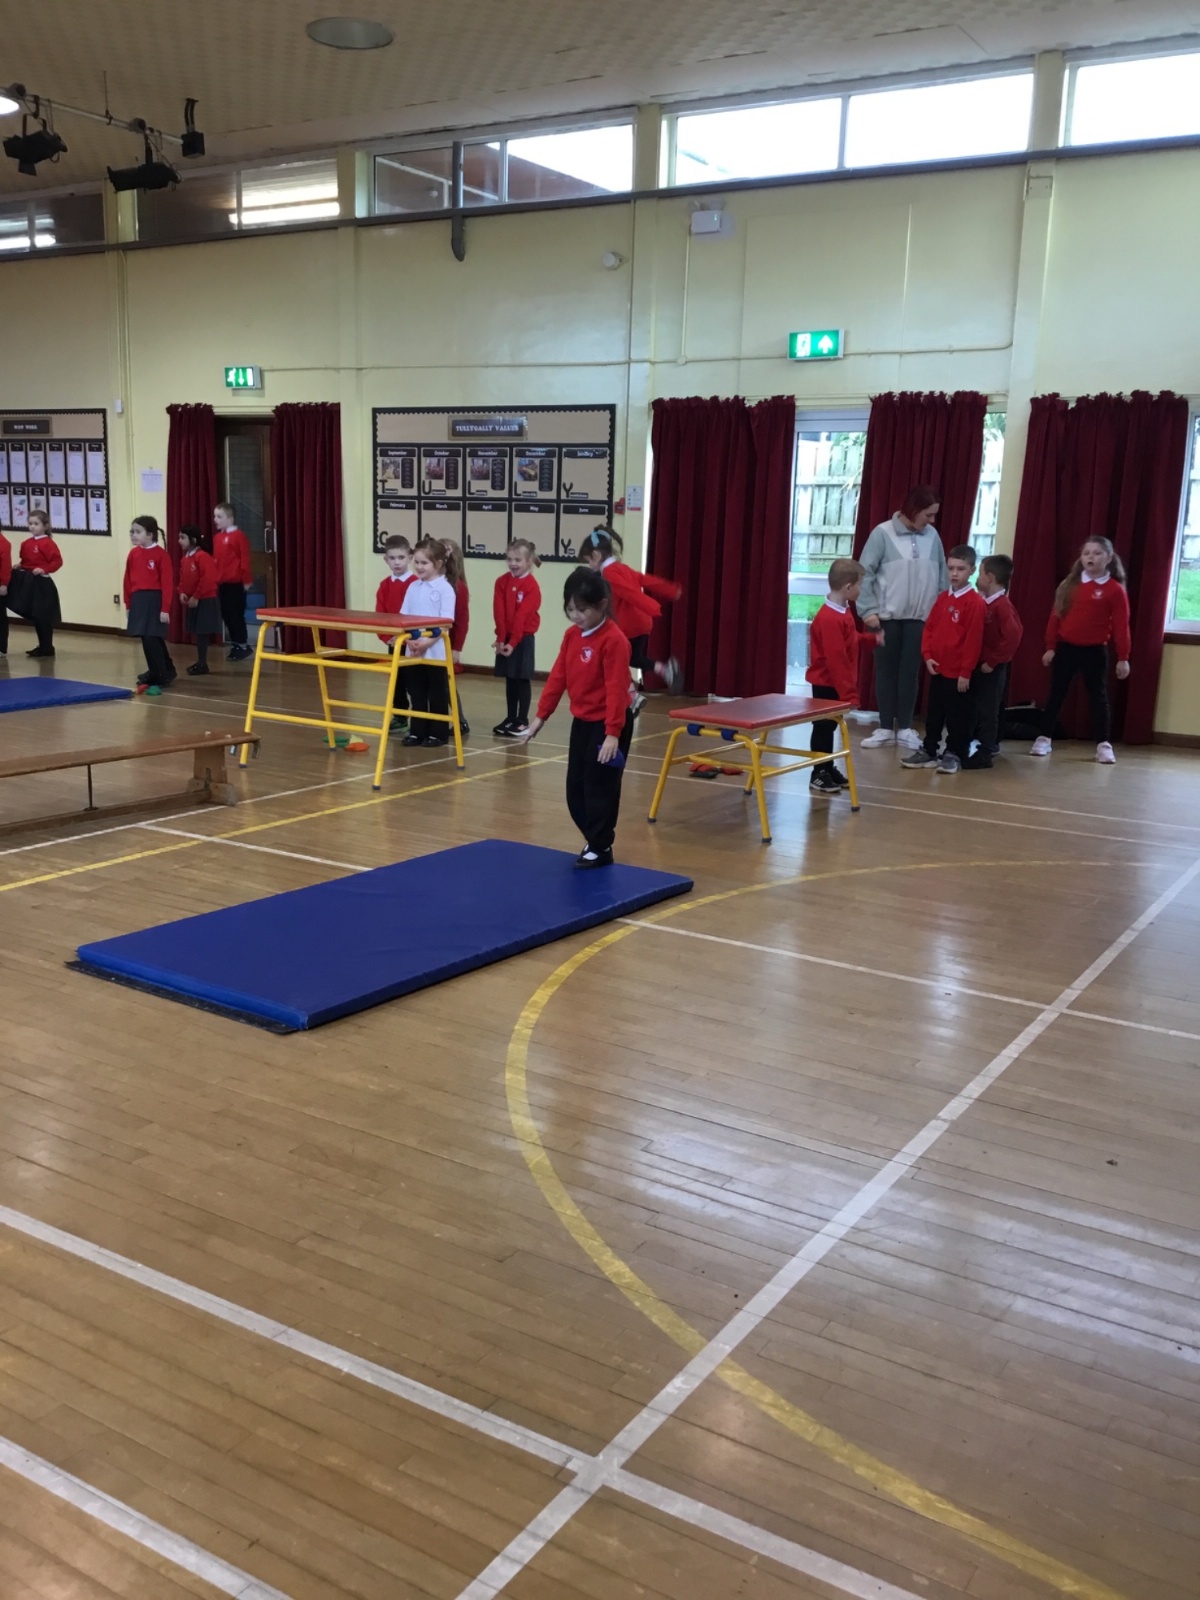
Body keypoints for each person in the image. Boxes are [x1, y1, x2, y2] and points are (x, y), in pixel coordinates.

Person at [518, 567, 633, 868]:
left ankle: (601, 846)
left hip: (608, 723)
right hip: (583, 721)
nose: (575, 616)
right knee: (576, 790)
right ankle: (595, 840)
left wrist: (613, 733)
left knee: (599, 787)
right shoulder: (572, 636)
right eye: (570, 609)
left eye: (582, 610)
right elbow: (559, 676)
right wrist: (540, 716)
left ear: (602, 605)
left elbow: (616, 689)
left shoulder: (614, 640)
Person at [857, 486, 948, 750]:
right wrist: (868, 611)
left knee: (910, 673)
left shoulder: (933, 536)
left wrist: (940, 613)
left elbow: (942, 576)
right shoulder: (882, 533)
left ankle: (906, 728)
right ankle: (885, 727)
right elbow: (864, 574)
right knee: (886, 672)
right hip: (885, 618)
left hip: (920, 619)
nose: (932, 520)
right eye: (928, 515)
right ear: (914, 509)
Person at [1031, 536, 1131, 764]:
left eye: (1097, 553)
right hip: (1066, 648)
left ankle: (1103, 745)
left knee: (1098, 697)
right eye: (1086, 553)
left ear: (1108, 558)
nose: (1090, 557)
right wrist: (1050, 646)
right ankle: (1044, 738)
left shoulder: (1115, 590)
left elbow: (1121, 626)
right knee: (1056, 694)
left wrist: (1123, 657)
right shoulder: (1069, 585)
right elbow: (1055, 616)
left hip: (1094, 651)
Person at [902, 543, 985, 774]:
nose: (954, 573)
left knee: (958, 716)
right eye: (951, 568)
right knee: (934, 714)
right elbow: (930, 628)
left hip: (958, 674)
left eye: (960, 569)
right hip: (938, 669)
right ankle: (929, 750)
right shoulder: (942, 599)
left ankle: (954, 753)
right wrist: (927, 655)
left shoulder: (974, 603)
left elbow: (973, 640)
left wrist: (966, 671)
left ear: (972, 570)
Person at [583, 526, 682, 711]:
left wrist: (652, 606)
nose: (589, 565)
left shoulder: (609, 573)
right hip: (642, 623)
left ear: (596, 555)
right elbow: (645, 580)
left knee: (611, 660)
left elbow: (627, 592)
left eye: (588, 560)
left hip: (628, 625)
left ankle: (633, 696)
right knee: (634, 658)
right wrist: (669, 589)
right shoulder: (622, 568)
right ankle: (665, 670)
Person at [805, 557, 876, 795]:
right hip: (826, 684)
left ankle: (827, 767)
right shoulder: (829, 618)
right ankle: (818, 773)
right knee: (823, 728)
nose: (861, 589)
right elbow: (837, 660)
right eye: (860, 585)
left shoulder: (842, 612)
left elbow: (850, 639)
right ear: (848, 587)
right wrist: (850, 695)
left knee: (830, 727)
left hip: (835, 683)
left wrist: (871, 640)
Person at [963, 553, 1023, 769]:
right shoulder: (985, 603)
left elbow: (1013, 635)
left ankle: (986, 751)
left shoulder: (1002, 606)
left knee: (989, 710)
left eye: (979, 574)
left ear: (989, 577)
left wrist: (994, 661)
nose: (977, 578)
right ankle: (975, 743)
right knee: (978, 707)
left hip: (992, 668)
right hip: (981, 665)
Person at [399, 537, 456, 747]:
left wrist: (426, 642)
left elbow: (446, 622)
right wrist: (410, 641)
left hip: (435, 652)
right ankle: (417, 731)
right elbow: (404, 616)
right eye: (417, 562)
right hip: (413, 650)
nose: (419, 566)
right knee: (417, 692)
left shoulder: (445, 589)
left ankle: (438, 733)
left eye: (425, 563)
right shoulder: (413, 587)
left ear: (438, 563)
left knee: (437, 693)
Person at [492, 537, 541, 737]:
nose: (513, 563)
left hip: (523, 639)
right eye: (510, 559)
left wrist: (512, 643)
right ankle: (511, 717)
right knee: (510, 679)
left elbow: (522, 617)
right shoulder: (501, 582)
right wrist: (501, 638)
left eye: (518, 560)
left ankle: (522, 720)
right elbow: (499, 613)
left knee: (522, 679)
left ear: (528, 561)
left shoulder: (531, 586)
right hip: (506, 638)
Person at [124, 515, 176, 691]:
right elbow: (127, 580)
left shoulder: (161, 555)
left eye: (138, 532)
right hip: (139, 600)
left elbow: (167, 583)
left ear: (150, 534)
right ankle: (162, 670)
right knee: (146, 637)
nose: (133, 535)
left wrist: (165, 608)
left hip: (155, 599)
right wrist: (128, 604)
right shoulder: (133, 554)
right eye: (132, 532)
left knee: (152, 637)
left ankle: (160, 673)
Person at [375, 535, 415, 733]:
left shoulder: (416, 583)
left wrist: (408, 636)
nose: (397, 562)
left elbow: (417, 614)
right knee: (396, 681)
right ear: (386, 559)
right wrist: (386, 637)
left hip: (413, 642)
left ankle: (419, 719)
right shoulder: (385, 585)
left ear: (410, 558)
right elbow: (380, 614)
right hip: (394, 642)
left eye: (401, 557)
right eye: (392, 558)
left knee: (413, 682)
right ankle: (399, 716)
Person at [18, 508, 64, 658]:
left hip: (41, 583)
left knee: (42, 615)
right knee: (35, 615)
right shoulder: (26, 543)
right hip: (29, 581)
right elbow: (26, 561)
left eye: (36, 524)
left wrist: (44, 569)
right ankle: (42, 645)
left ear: (45, 526)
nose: (32, 527)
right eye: (30, 523)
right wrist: (20, 566)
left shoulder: (48, 543)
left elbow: (57, 561)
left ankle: (47, 646)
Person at [177, 523, 221, 676]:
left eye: (182, 537)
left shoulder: (202, 556)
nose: (179, 541)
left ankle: (202, 663)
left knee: (202, 633)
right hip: (193, 600)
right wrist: (182, 592)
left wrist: (196, 596)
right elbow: (182, 578)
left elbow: (208, 579)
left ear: (193, 540)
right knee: (198, 632)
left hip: (205, 599)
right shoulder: (185, 559)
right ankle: (201, 662)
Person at [212, 501, 253, 662]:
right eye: (215, 516)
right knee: (227, 615)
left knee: (236, 615)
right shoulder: (217, 538)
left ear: (230, 518)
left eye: (219, 516)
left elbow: (244, 560)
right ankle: (236, 644)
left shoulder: (239, 536)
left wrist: (246, 580)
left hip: (235, 583)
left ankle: (242, 645)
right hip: (222, 583)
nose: (215, 520)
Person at [443, 538, 471, 736]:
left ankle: (460, 721)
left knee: (447, 683)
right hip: (429, 643)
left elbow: (462, 621)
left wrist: (456, 648)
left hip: (446, 643)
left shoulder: (458, 587)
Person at [0, 526, 10, 658]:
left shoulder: (3, 543)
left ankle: (1, 647)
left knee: (0, 617)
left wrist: (4, 584)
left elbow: (5, 565)